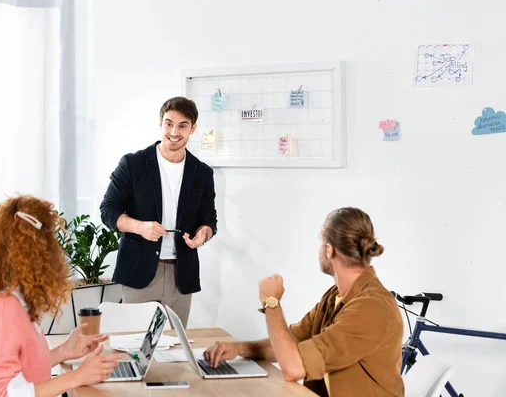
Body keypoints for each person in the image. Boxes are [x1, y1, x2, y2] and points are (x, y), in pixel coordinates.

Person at [204, 207, 404, 397]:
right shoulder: (335, 297)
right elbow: (290, 343)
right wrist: (239, 348)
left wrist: (272, 303)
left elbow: (293, 367)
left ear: (329, 250)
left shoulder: (371, 308)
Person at [0, 195, 122, 397]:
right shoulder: (1, 311)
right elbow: (2, 393)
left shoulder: (9, 299)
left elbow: (21, 370)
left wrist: (66, 351)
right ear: (35, 249)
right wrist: (77, 377)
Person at [100, 96, 217, 328]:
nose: (174, 131)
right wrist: (140, 227)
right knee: (132, 346)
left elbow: (209, 221)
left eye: (183, 125)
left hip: (181, 276)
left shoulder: (202, 173)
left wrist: (203, 235)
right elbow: (108, 210)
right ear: (160, 124)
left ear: (192, 128)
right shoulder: (132, 164)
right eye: (169, 123)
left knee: (175, 348)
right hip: (138, 272)